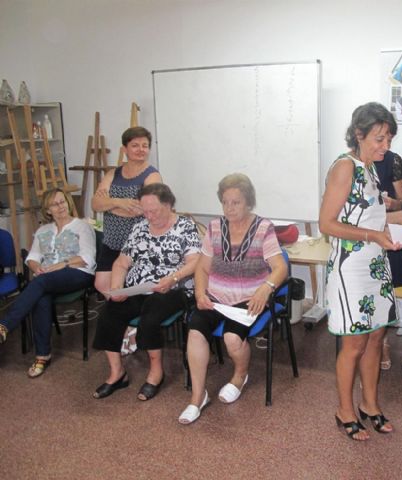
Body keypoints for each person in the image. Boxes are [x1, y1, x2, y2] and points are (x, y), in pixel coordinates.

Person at [319, 102, 401, 441]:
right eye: (379, 139)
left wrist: (397, 226)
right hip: (351, 268)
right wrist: (372, 234)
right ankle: (345, 410)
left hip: (375, 264)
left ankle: (370, 404)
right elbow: (327, 223)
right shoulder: (345, 167)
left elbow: (367, 214)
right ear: (359, 134)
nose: (386, 147)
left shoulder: (369, 168)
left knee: (375, 337)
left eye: (389, 139)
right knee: (353, 344)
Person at [178, 173, 287, 424]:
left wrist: (265, 288)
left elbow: (280, 268)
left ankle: (240, 374)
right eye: (225, 202)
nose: (229, 208)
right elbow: (203, 268)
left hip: (249, 297)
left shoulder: (263, 228)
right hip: (215, 296)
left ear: (248, 202)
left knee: (231, 338)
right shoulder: (215, 227)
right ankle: (197, 397)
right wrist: (199, 293)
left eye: (235, 202)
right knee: (195, 333)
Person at [92, 183, 200, 400]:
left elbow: (195, 262)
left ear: (169, 205)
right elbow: (122, 262)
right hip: (138, 288)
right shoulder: (139, 227)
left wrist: (173, 278)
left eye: (154, 211)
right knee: (109, 312)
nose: (149, 216)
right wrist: (116, 288)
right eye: (146, 211)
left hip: (172, 288)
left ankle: (156, 373)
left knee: (150, 317)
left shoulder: (185, 226)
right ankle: (117, 373)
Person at [0, 188, 95, 377]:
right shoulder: (43, 231)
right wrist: (37, 268)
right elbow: (33, 257)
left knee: (40, 284)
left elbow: (88, 256)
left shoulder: (82, 226)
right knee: (41, 296)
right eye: (55, 204)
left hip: (78, 272)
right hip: (48, 278)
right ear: (48, 210)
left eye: (63, 201)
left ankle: (5, 325)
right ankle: (42, 356)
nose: (61, 206)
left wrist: (62, 264)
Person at [91, 126, 162, 354]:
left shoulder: (152, 175)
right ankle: (128, 328)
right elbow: (95, 204)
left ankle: (130, 328)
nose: (141, 150)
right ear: (125, 149)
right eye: (135, 145)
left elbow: (145, 209)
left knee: (125, 288)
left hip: (137, 245)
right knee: (102, 285)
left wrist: (110, 202)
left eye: (145, 146)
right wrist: (121, 203)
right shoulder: (114, 173)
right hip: (112, 240)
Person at [374, 150, 402, 370]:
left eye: (387, 136)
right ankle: (371, 343)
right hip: (361, 238)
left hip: (387, 234)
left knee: (385, 292)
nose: (384, 143)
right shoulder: (348, 163)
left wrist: (391, 203)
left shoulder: (392, 160)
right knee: (368, 292)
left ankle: (383, 342)